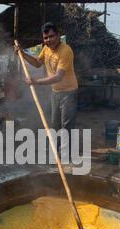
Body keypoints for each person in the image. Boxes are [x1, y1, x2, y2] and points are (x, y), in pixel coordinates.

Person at [15, 22, 78, 158]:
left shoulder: (66, 51)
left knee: (66, 125)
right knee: (55, 124)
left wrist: (35, 82)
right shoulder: (46, 49)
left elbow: (58, 77)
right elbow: (38, 63)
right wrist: (22, 54)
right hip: (55, 92)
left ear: (58, 35)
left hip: (69, 92)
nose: (48, 40)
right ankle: (56, 149)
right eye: (45, 38)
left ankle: (66, 153)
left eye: (51, 36)